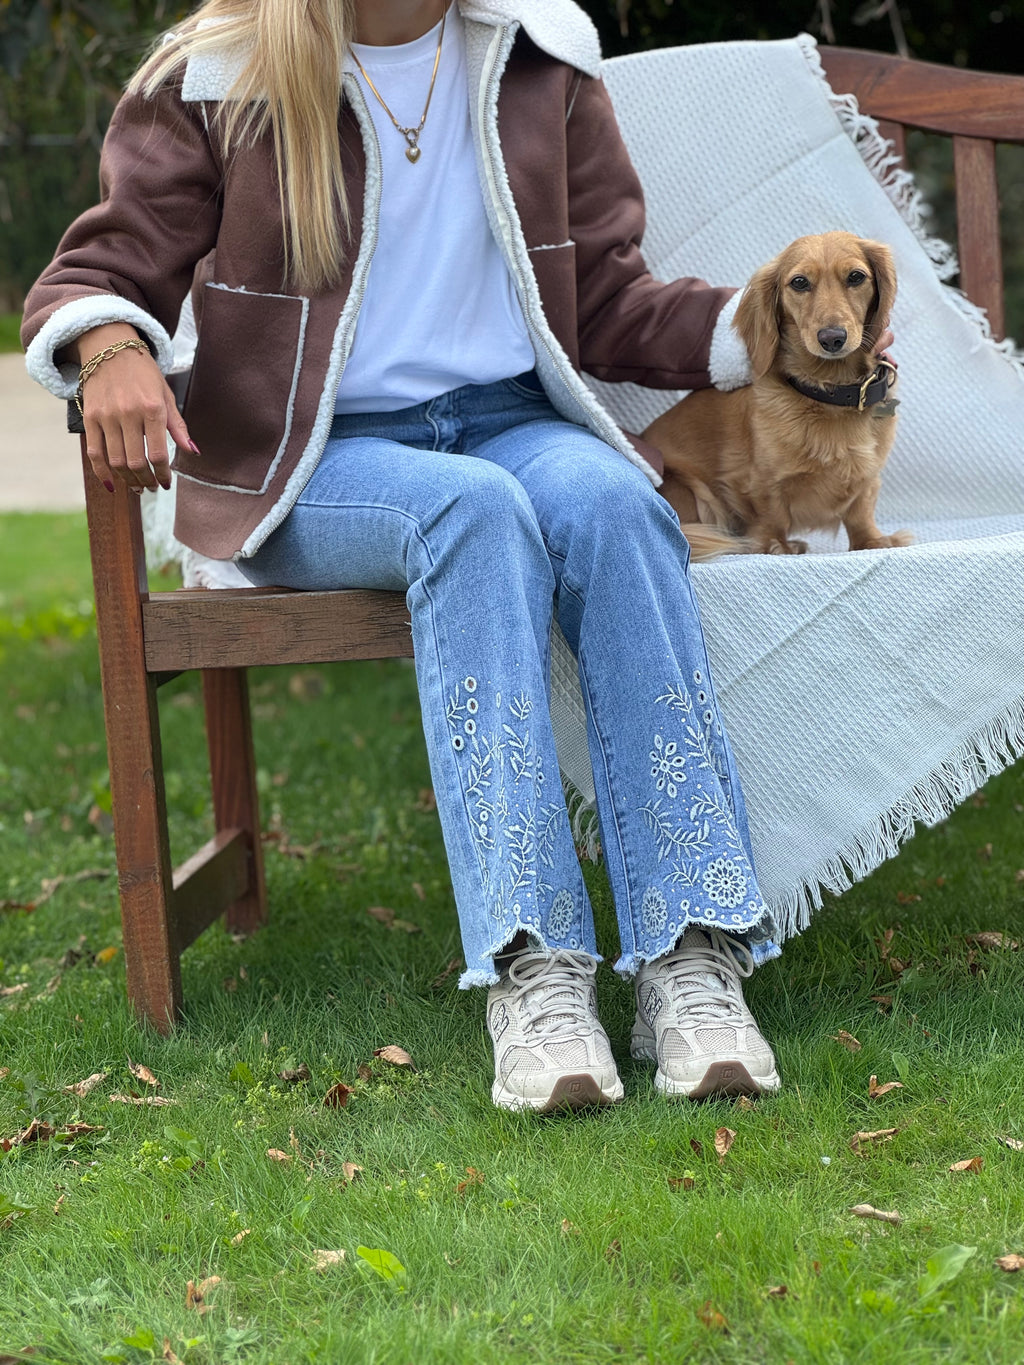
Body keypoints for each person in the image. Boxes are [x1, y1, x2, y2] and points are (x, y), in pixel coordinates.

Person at [22, 0, 893, 1113]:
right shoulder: (221, 72)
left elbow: (608, 297)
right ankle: (535, 969)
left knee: (622, 509)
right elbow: (107, 261)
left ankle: (689, 953)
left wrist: (750, 326)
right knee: (471, 516)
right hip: (315, 452)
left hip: (507, 419)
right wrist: (105, 345)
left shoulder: (537, 58)